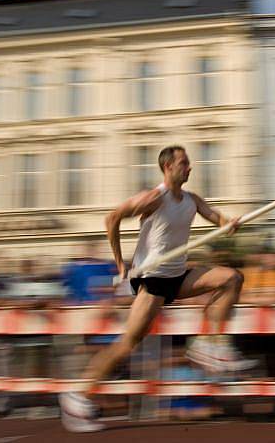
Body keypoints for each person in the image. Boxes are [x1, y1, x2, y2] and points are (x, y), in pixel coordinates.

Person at [59, 145, 246, 432]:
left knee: (232, 278)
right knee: (127, 344)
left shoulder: (192, 200)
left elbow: (216, 217)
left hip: (177, 274)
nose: (190, 167)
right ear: (168, 167)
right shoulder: (153, 198)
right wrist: (120, 262)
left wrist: (229, 223)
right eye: (184, 163)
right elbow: (112, 219)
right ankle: (77, 395)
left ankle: (209, 344)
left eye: (189, 163)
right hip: (152, 279)